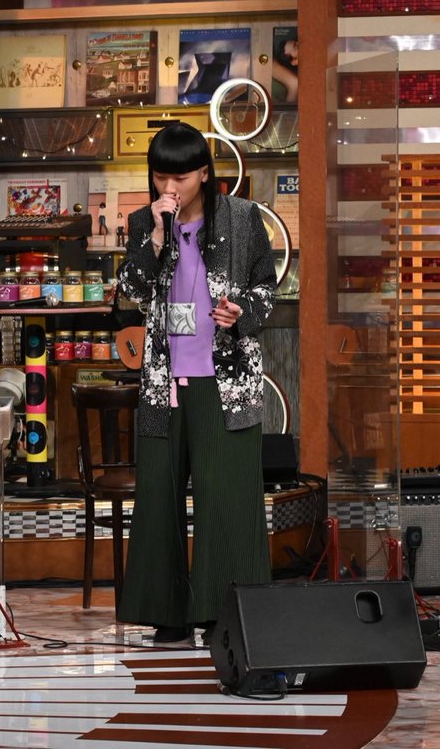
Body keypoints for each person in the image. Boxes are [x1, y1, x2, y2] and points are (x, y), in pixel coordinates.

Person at [116, 122, 277, 643]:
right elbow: (132, 290)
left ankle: (221, 613)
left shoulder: (242, 218)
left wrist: (242, 310)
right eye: (160, 177)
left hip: (226, 382)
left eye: (181, 178)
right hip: (163, 381)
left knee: (227, 498)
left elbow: (266, 286)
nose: (170, 188)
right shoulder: (144, 222)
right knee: (159, 495)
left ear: (204, 174)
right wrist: (156, 238)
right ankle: (168, 615)